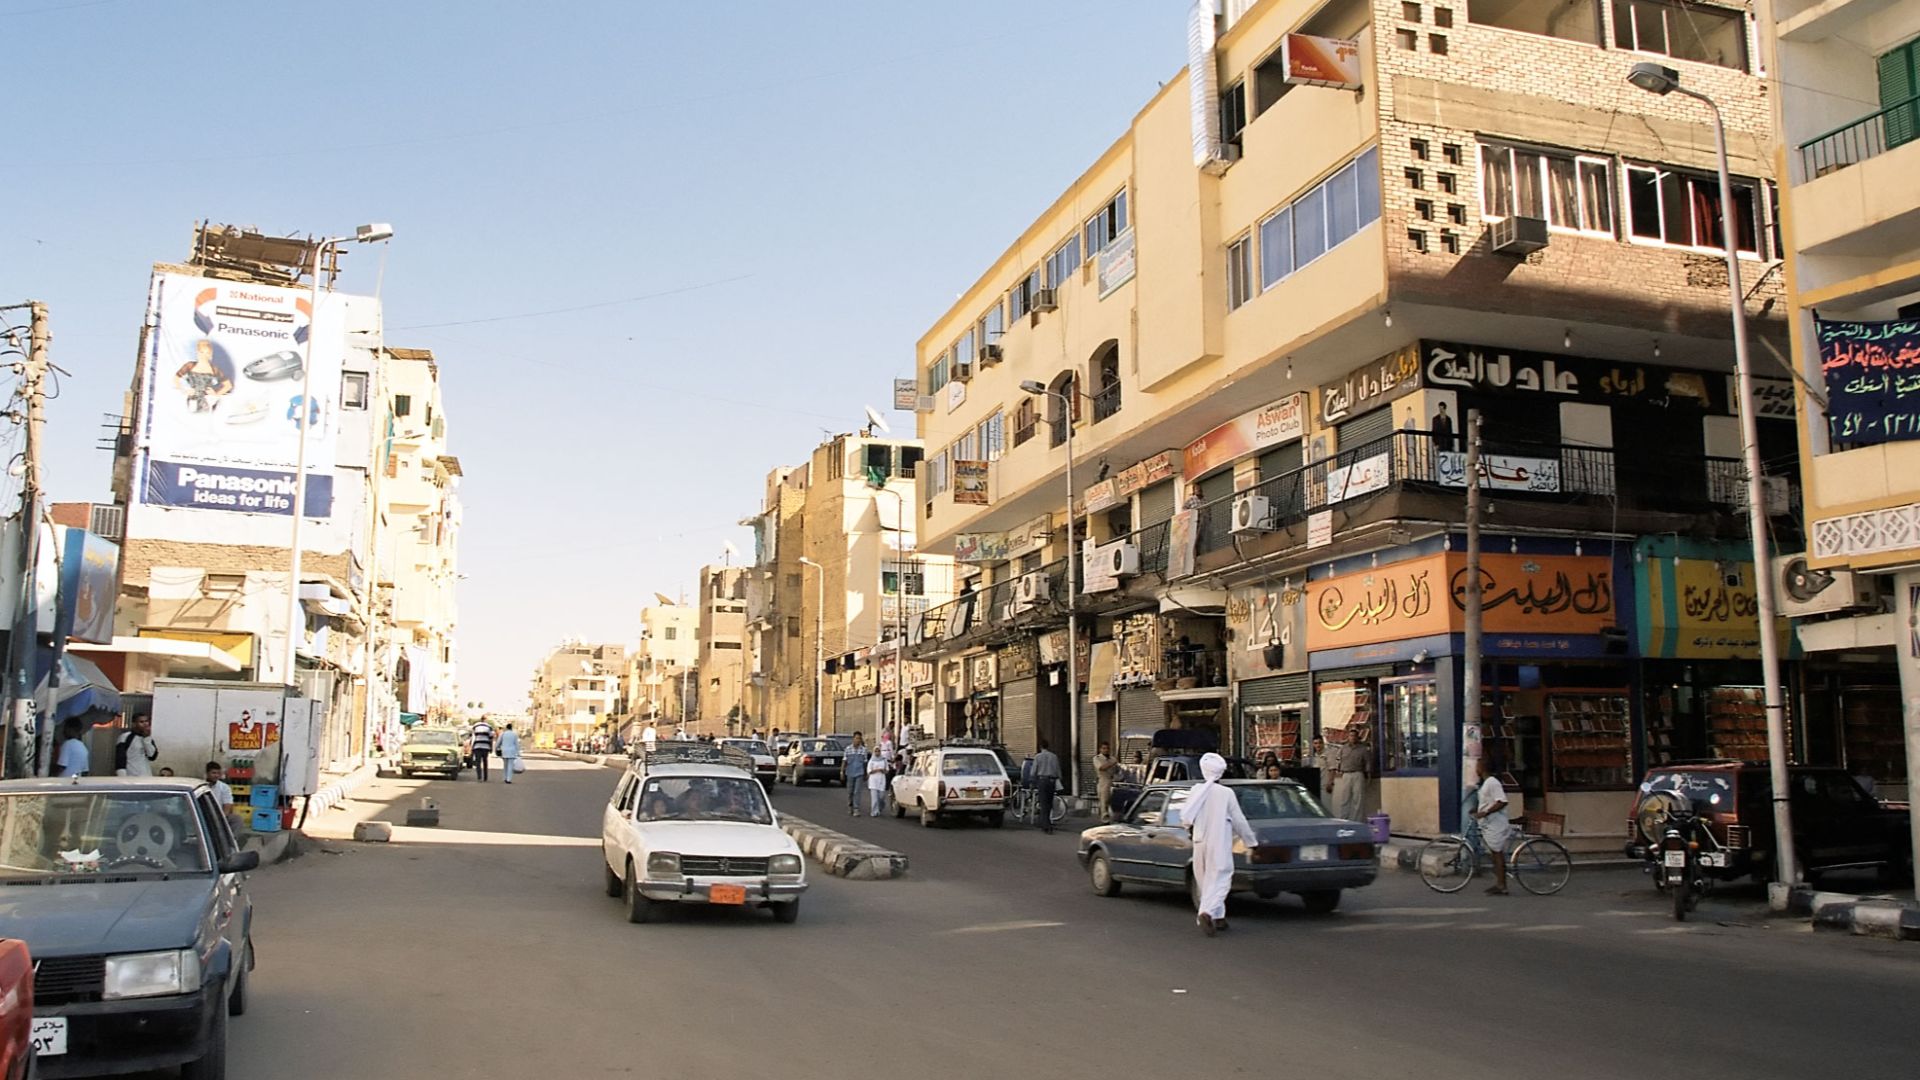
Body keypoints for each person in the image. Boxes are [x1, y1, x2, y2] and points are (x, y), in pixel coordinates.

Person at [1186, 752, 1259, 936]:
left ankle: (1218, 917)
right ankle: (1207, 912)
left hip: (1199, 841)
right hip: (1218, 841)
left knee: (1205, 881)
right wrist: (1252, 843)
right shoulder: (1226, 793)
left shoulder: (1196, 791)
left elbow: (1186, 818)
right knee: (1221, 879)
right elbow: (1239, 821)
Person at [1471, 756, 1511, 895]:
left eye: (1477, 766)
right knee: (1494, 853)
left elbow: (1502, 801)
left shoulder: (1493, 782)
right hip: (1489, 824)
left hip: (1496, 824)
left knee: (1497, 853)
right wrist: (1477, 810)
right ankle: (1499, 883)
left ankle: (1502, 885)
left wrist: (1485, 813)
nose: (1476, 769)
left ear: (1483, 768)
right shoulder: (1486, 783)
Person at [1325, 720, 1369, 822]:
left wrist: (1368, 775)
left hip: (1358, 773)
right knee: (1345, 798)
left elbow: (1367, 763)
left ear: (1357, 737)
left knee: (1358, 799)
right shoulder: (1343, 749)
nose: (1352, 737)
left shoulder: (1363, 749)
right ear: (1348, 737)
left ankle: (1358, 820)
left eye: (1354, 735)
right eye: (1350, 735)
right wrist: (1338, 773)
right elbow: (1338, 761)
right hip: (1346, 774)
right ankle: (1344, 819)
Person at [1030, 739, 1062, 834]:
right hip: (1052, 781)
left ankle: (1046, 825)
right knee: (1049, 802)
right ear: (1048, 746)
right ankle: (1047, 822)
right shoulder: (1054, 756)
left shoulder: (1038, 757)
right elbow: (1058, 770)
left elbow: (1033, 771)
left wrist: (1032, 781)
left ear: (1040, 747)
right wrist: (1059, 779)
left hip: (1042, 781)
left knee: (1043, 803)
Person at [114, 712, 159, 777]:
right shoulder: (125, 737)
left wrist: (146, 739)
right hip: (131, 776)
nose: (145, 724)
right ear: (134, 724)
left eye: (146, 721)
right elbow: (120, 758)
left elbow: (152, 756)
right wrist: (122, 777)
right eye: (141, 722)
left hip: (146, 776)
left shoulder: (148, 738)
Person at [843, 733, 871, 817]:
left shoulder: (863, 750)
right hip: (850, 772)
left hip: (860, 772)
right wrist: (842, 771)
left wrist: (866, 773)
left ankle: (856, 808)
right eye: (856, 738)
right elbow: (844, 760)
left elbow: (865, 763)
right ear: (853, 739)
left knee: (857, 791)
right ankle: (850, 805)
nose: (858, 740)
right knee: (850, 791)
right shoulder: (848, 749)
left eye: (859, 738)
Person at [1093, 743, 1120, 823]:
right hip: (1103, 780)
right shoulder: (1097, 758)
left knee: (1111, 801)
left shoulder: (1112, 758)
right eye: (1104, 748)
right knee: (1104, 800)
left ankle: (1112, 817)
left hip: (1113, 780)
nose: (1106, 750)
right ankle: (1104, 819)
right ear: (1100, 749)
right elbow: (1101, 768)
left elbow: (1117, 770)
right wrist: (1113, 763)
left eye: (1107, 748)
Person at [468, 717, 495, 782]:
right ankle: (485, 777)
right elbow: (491, 738)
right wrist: (491, 748)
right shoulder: (489, 727)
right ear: (486, 720)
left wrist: (471, 747)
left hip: (477, 746)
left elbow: (473, 737)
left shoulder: (475, 726)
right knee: (485, 762)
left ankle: (479, 777)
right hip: (485, 747)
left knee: (478, 762)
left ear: (481, 719)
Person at [867, 745, 890, 816]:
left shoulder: (884, 760)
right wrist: (876, 770)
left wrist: (883, 770)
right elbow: (869, 771)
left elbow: (887, 770)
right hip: (873, 780)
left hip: (881, 780)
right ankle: (874, 812)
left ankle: (880, 807)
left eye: (878, 751)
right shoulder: (871, 761)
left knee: (881, 797)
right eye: (876, 751)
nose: (877, 753)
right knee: (874, 798)